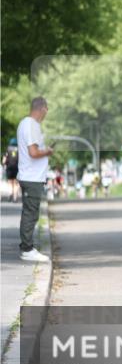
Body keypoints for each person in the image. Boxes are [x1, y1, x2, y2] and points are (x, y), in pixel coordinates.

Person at [16, 97, 53, 262]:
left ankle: (27, 246)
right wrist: (47, 152)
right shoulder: (31, 125)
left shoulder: (27, 124)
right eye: (46, 110)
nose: (46, 113)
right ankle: (27, 249)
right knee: (30, 214)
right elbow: (33, 152)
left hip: (31, 177)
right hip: (31, 178)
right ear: (42, 108)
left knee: (30, 212)